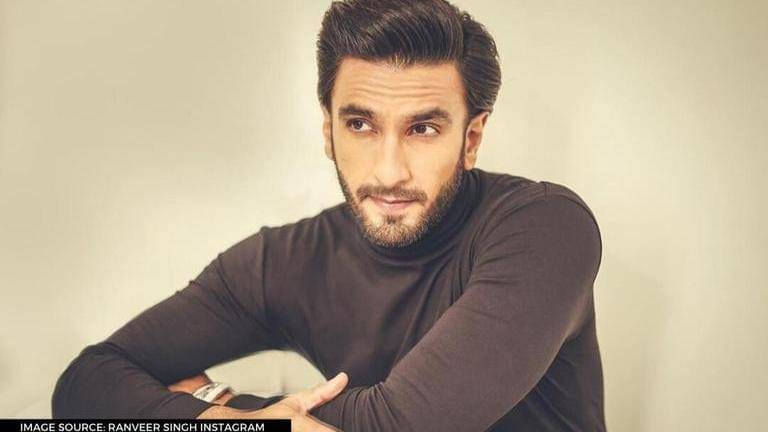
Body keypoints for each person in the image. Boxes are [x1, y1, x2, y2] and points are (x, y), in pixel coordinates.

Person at [52, 0, 606, 430]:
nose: (389, 171)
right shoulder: (282, 262)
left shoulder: (545, 228)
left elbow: (401, 425)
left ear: (471, 139)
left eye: (423, 128)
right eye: (360, 125)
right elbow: (85, 384)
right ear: (328, 131)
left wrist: (212, 402)